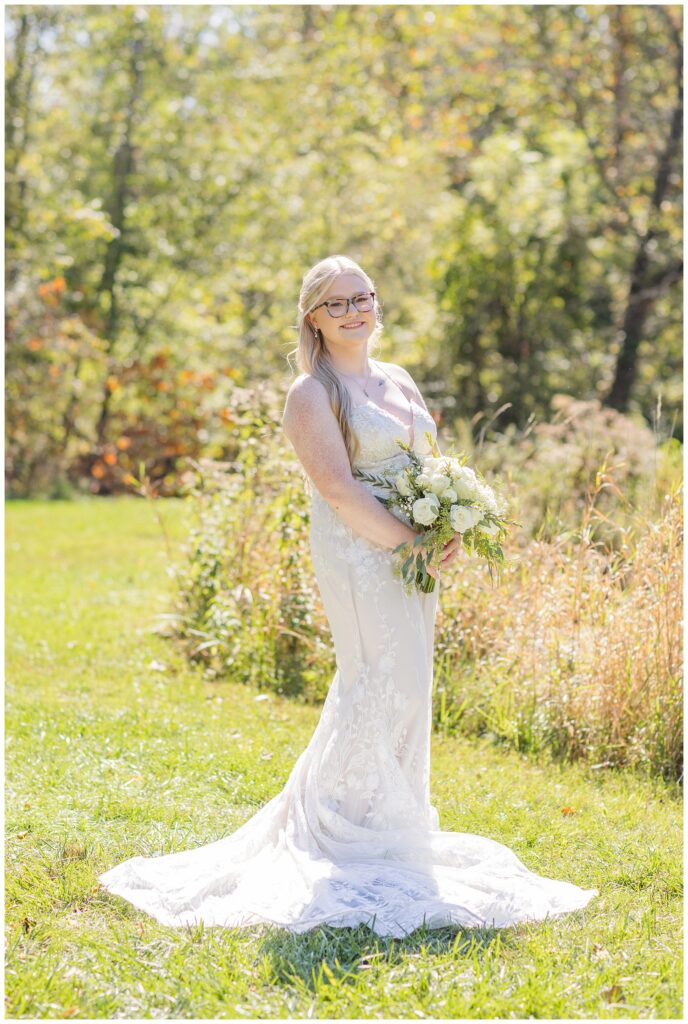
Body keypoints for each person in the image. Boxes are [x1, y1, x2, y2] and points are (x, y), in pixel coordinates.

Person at [98, 254, 599, 936]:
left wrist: (451, 521)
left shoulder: (398, 379)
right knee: (376, 680)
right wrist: (406, 540)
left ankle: (391, 817)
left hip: (412, 551)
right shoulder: (312, 393)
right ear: (313, 316)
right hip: (362, 554)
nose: (355, 310)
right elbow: (336, 488)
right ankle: (344, 826)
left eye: (362, 297)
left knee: (411, 685)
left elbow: (431, 464)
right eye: (336, 303)